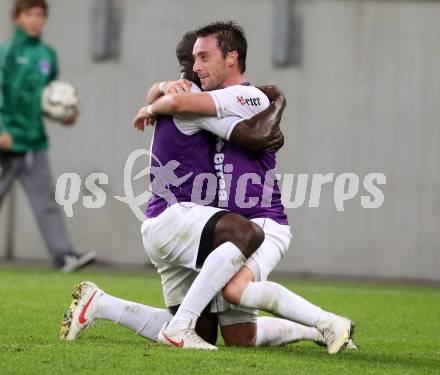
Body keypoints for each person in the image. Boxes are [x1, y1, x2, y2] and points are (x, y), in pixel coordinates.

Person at [61, 26, 356, 353]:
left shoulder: (239, 96)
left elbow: (249, 133)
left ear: (231, 58)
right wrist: (159, 98)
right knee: (221, 297)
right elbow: (220, 121)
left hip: (244, 220)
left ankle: (326, 326)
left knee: (231, 327)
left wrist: (157, 102)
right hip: (202, 223)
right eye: (193, 59)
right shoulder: (195, 99)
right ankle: (326, 325)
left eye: (204, 57)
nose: (197, 67)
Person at [0, 0, 95, 272]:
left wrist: (64, 115)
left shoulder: (47, 55)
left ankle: (63, 256)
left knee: (46, 203)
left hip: (34, 142)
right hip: (6, 142)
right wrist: (2, 130)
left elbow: (48, 98)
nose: (35, 20)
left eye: (40, 15)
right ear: (17, 18)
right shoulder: (6, 52)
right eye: (29, 14)